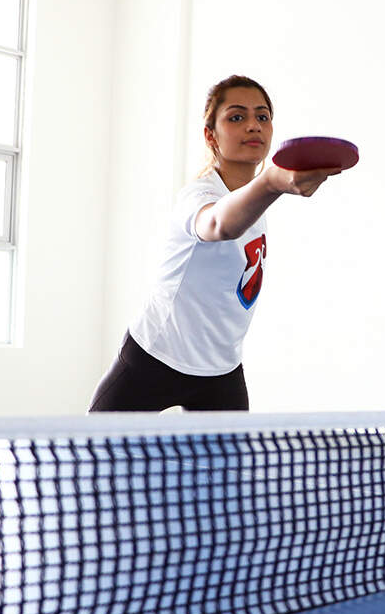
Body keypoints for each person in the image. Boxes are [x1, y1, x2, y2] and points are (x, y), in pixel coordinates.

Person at [89, 75, 346, 412]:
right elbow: (218, 224)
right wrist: (272, 182)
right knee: (93, 446)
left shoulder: (254, 200)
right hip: (156, 358)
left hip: (221, 372)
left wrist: (269, 185)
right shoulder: (198, 195)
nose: (253, 125)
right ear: (211, 135)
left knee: (235, 453)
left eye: (263, 116)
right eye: (236, 117)